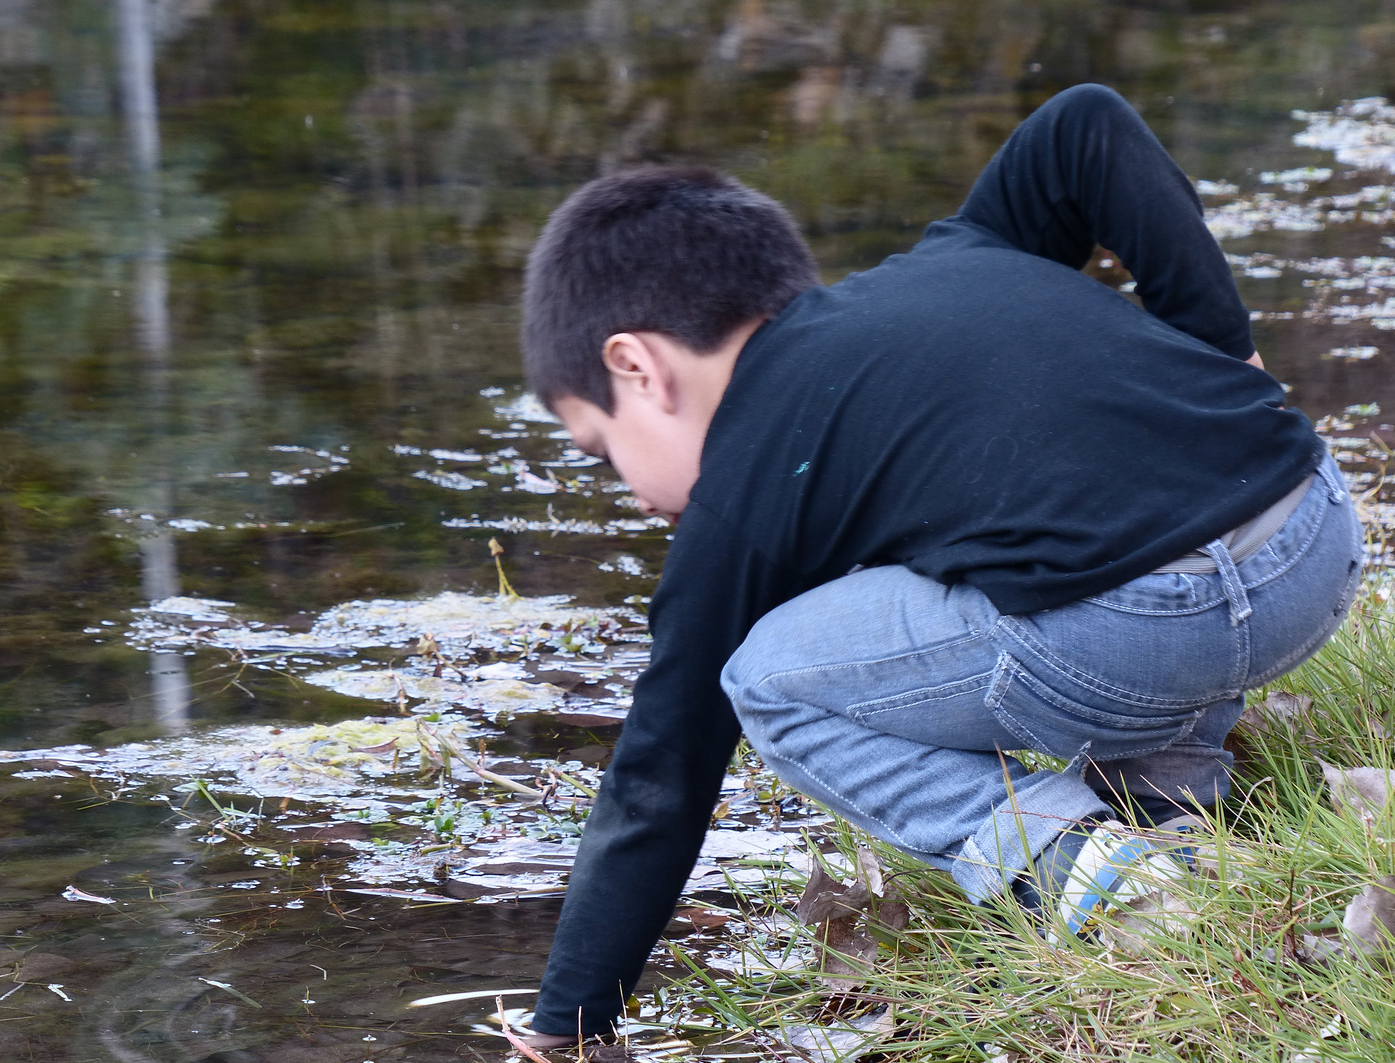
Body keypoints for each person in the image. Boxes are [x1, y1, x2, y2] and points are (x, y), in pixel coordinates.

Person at [516, 83, 1363, 1043]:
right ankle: (1174, 813)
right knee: (1049, 524)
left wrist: (569, 1022)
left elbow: (659, 775)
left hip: (1162, 621)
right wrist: (1225, 349)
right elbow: (1086, 126)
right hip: (1314, 534)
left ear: (637, 367)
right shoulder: (961, 257)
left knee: (764, 676)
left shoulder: (741, 490)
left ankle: (1086, 863)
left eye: (600, 445)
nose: (628, 491)